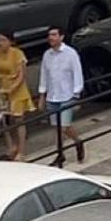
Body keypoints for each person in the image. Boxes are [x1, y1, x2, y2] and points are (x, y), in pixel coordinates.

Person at [0, 32, 32, 160]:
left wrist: (12, 88)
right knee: (2, 119)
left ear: (10, 41)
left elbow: (22, 74)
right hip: (3, 88)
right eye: (0, 40)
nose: (1, 43)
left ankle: (22, 150)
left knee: (18, 120)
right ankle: (11, 146)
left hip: (17, 89)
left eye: (4, 40)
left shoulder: (17, 54)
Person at [38, 26, 84, 165]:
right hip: (53, 95)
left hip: (67, 95)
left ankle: (75, 143)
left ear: (61, 37)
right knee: (57, 128)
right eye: (49, 35)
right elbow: (44, 75)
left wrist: (76, 93)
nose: (51, 38)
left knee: (64, 126)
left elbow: (77, 73)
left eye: (54, 35)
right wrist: (42, 95)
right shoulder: (47, 55)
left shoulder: (71, 54)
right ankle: (62, 152)